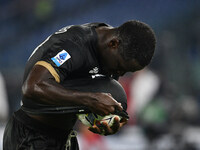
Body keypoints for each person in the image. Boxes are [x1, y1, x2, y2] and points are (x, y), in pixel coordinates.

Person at [3, 20, 156, 150]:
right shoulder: (74, 44)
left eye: (127, 71)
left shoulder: (110, 48)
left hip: (64, 137)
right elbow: (33, 87)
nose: (120, 74)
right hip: (31, 135)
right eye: (120, 66)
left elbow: (76, 92)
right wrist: (90, 100)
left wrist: (103, 123)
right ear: (113, 43)